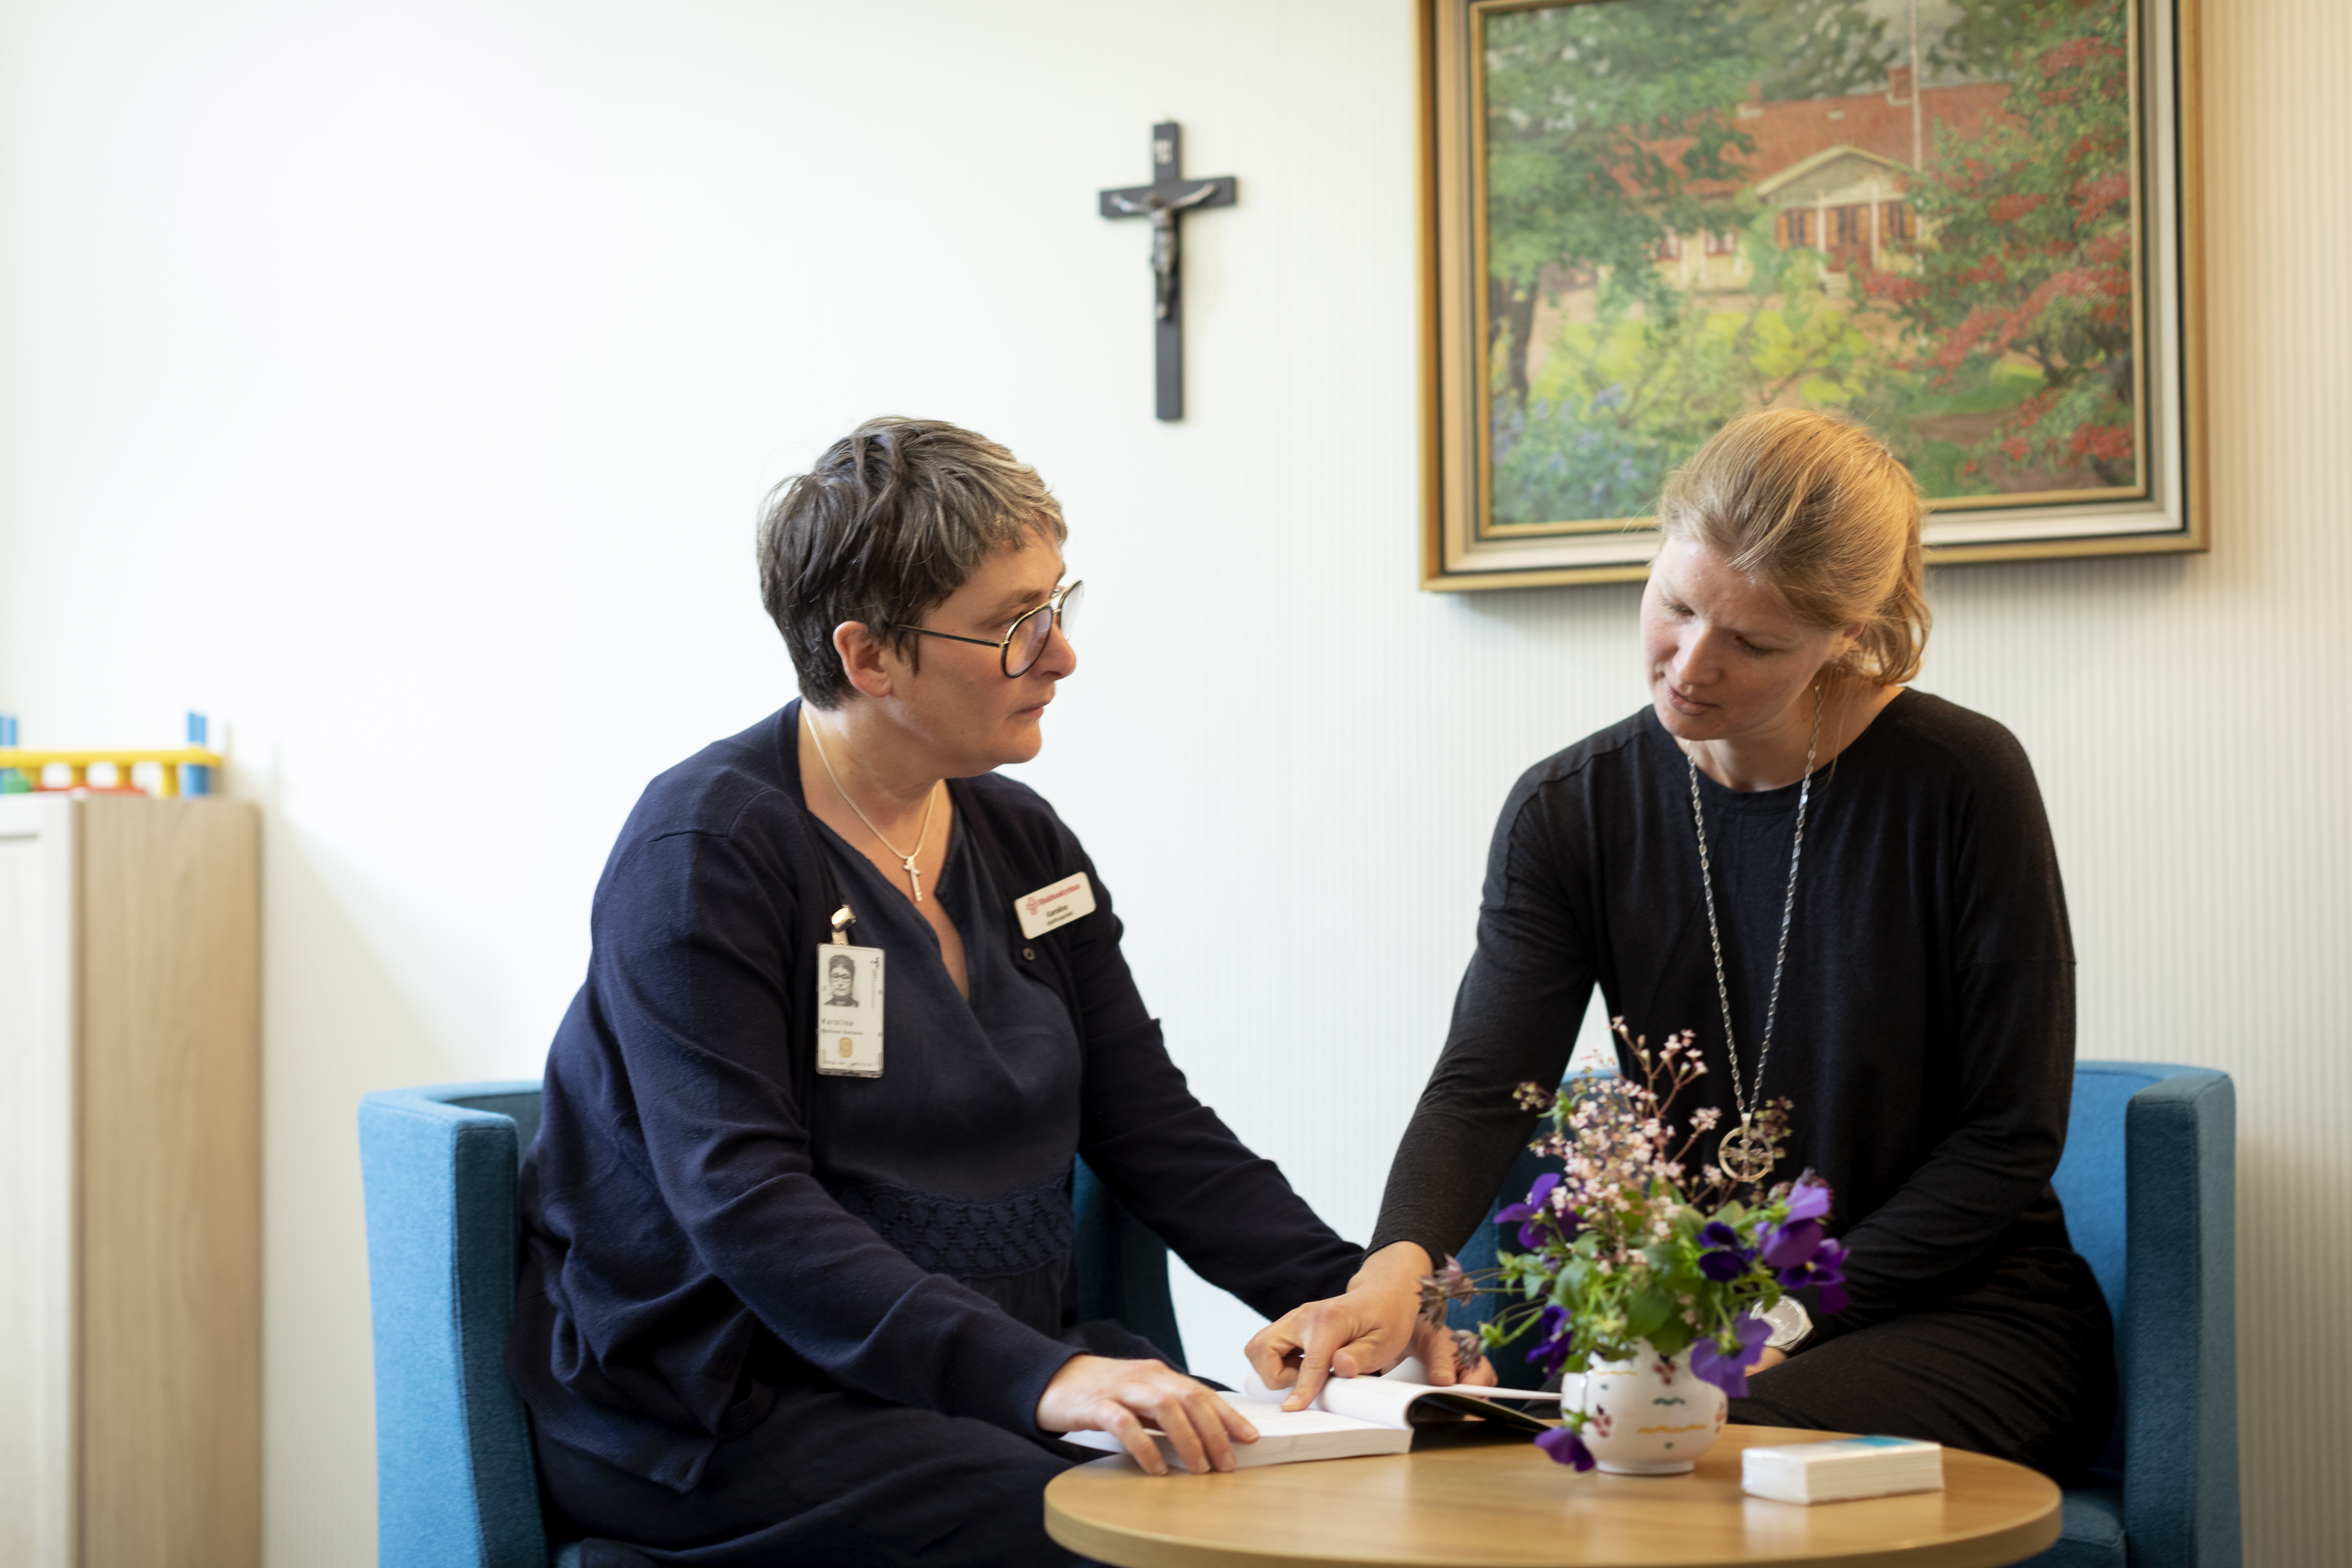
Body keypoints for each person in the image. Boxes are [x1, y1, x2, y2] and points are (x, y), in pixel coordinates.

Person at [509, 417, 1364, 1567]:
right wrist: (1049, 1376)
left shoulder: (1021, 840)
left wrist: (1350, 1295)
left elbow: (1150, 1122)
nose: (1061, 655)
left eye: (1059, 605)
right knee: (1131, 1540)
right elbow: (746, 1202)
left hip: (980, 1372)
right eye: (1016, 625)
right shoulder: (705, 849)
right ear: (869, 657)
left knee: (1307, 1502)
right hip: (734, 1399)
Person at [1248, 408, 2116, 1480]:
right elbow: (1488, 1083)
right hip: (1686, 1321)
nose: (1690, 665)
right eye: (1675, 604)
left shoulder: (1961, 780)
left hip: (1963, 1309)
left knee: (1702, 1451)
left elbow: (2006, 1136)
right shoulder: (1570, 808)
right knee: (1488, 1443)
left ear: (1847, 633)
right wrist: (1394, 1268)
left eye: (1752, 641)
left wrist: (1769, 1320)